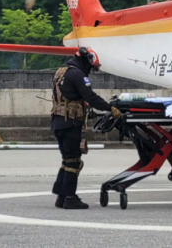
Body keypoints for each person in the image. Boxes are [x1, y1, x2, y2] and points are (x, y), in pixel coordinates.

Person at [51, 47, 122, 209]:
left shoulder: (61, 71)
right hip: (70, 123)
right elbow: (90, 96)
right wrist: (110, 108)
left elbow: (71, 96)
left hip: (58, 122)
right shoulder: (77, 74)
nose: (90, 71)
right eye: (91, 67)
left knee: (67, 159)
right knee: (74, 161)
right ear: (85, 60)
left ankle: (61, 196)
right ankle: (70, 197)